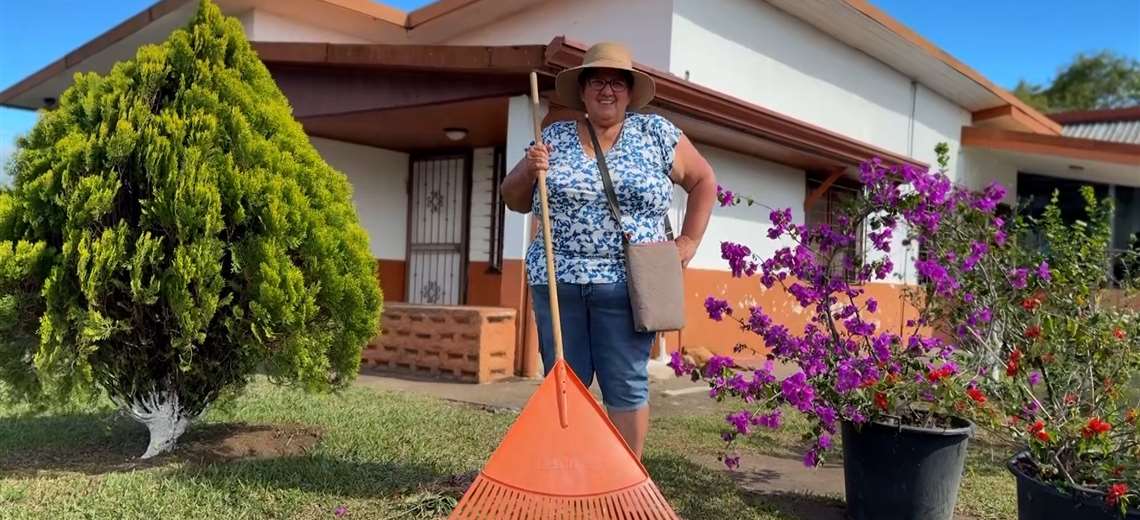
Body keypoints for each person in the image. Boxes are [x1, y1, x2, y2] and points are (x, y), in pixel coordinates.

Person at [501, 42, 717, 459]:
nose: (607, 90)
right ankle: (573, 473)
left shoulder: (656, 133)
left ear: (630, 92)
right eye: (597, 80)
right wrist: (529, 168)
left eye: (617, 82)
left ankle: (623, 480)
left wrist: (688, 243)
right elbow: (513, 198)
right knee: (565, 383)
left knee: (625, 382)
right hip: (558, 282)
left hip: (629, 285)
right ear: (582, 90)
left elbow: (704, 180)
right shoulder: (554, 136)